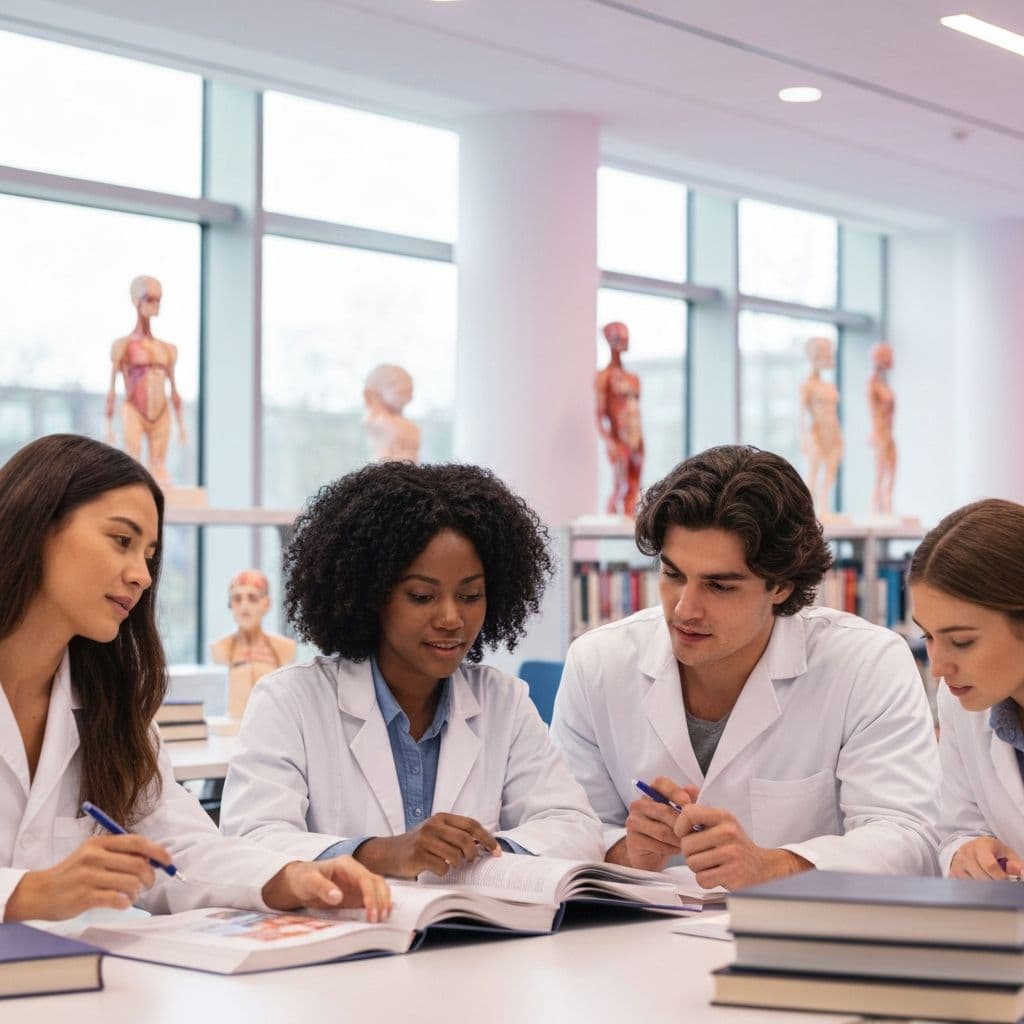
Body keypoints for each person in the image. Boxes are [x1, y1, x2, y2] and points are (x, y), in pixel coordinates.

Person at [0, 434, 391, 923]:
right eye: (122, 541)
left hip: (68, 969)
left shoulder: (108, 705)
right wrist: (27, 893)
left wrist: (288, 878)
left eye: (149, 555)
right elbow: (36, 891)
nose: (142, 575)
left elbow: (178, 850)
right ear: (36, 524)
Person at [549, 445, 940, 892]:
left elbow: (910, 841)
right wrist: (628, 851)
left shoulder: (867, 665)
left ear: (782, 586)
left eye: (719, 586)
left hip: (798, 928)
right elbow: (564, 826)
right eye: (673, 575)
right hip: (642, 929)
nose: (684, 609)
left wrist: (774, 866)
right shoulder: (597, 663)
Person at [221, 462, 603, 876]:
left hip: (473, 921)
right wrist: (383, 854)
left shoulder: (504, 702)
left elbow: (576, 828)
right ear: (370, 594)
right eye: (422, 596)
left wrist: (477, 854)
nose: (451, 619)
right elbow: (250, 841)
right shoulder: (290, 701)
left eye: (470, 595)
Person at [908, 499, 1024, 880]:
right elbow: (958, 827)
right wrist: (967, 852)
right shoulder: (961, 700)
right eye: (928, 637)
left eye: (961, 642)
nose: (939, 668)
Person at [106, 276, 188, 486]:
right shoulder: (123, 346)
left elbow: (174, 390)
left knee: (159, 469)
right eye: (149, 299)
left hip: (161, 412)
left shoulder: (168, 349)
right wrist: (109, 424)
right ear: (136, 301)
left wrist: (181, 424)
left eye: (158, 300)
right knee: (132, 467)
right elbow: (112, 388)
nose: (155, 305)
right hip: (134, 409)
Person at [210, 570, 297, 719]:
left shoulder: (285, 647)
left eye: (252, 598)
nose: (244, 606)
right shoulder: (221, 647)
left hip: (272, 724)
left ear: (267, 603)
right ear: (230, 604)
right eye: (237, 598)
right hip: (234, 726)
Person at [596, 321, 644, 517]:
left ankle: (631, 518)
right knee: (620, 485)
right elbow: (600, 415)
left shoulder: (633, 378)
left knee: (635, 485)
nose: (624, 342)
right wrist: (609, 441)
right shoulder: (604, 377)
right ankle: (613, 518)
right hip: (619, 437)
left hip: (636, 437)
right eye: (619, 338)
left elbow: (635, 409)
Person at [800, 335, 843, 516]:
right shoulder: (807, 386)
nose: (830, 356)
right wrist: (805, 438)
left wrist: (839, 434)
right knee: (813, 472)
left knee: (830, 472)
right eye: (826, 352)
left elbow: (833, 413)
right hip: (816, 433)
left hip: (833, 432)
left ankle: (824, 507)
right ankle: (808, 511)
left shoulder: (829, 386)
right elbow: (802, 415)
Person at [363, 364, 420, 463]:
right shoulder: (378, 420)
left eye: (408, 387)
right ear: (377, 392)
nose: (403, 388)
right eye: (392, 384)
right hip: (386, 470)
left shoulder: (410, 426)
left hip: (409, 470)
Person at [867, 341, 897, 517]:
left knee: (892, 471)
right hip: (879, 431)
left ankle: (887, 507)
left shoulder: (883, 385)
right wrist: (875, 432)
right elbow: (873, 409)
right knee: (880, 474)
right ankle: (875, 508)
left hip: (888, 432)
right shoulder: (873, 384)